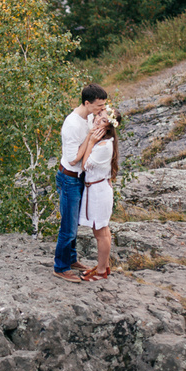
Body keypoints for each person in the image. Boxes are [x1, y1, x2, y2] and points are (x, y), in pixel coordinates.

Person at [53, 83, 108, 283]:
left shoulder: (90, 116)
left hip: (79, 178)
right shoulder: (72, 124)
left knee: (74, 222)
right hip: (69, 177)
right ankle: (61, 267)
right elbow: (73, 159)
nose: (102, 109)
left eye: (104, 105)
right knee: (68, 227)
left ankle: (71, 258)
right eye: (99, 106)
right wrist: (90, 139)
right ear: (87, 103)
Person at [77, 106, 122, 281]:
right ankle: (104, 265)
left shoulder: (103, 146)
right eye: (99, 115)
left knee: (100, 232)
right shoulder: (103, 140)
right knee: (102, 230)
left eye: (103, 120)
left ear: (109, 127)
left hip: (99, 193)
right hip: (97, 189)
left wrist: (90, 143)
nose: (97, 119)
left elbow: (84, 165)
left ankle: (102, 271)